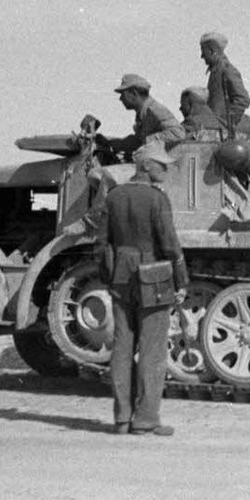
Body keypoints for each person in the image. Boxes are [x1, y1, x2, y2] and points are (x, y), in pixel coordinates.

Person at [97, 140, 189, 437]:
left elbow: (102, 244)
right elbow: (170, 244)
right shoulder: (157, 199)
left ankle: (122, 418)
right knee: (152, 349)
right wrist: (181, 280)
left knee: (122, 347)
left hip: (121, 277)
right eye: (161, 164)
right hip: (155, 279)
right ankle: (146, 419)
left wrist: (108, 276)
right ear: (146, 166)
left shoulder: (114, 196)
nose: (165, 169)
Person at [105, 74, 185, 160]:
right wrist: (111, 142)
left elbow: (178, 133)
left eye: (123, 94)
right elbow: (138, 140)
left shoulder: (154, 110)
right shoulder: (143, 112)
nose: (120, 99)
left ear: (134, 93)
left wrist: (148, 141)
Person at [200, 31, 250, 132]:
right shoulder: (217, 70)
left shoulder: (227, 70)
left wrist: (226, 122)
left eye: (203, 51)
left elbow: (242, 99)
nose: (202, 56)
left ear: (212, 50)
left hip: (221, 131)